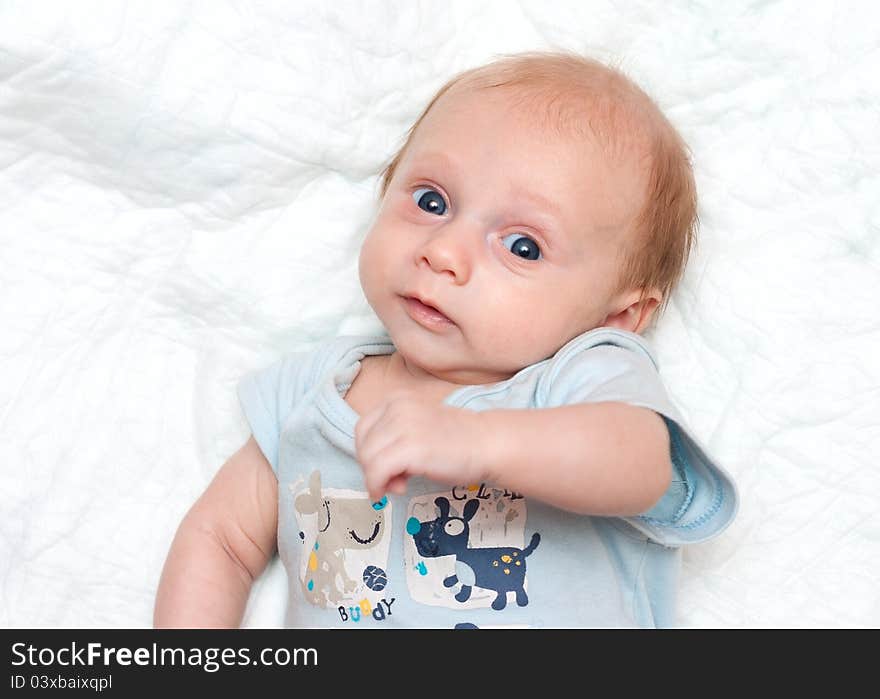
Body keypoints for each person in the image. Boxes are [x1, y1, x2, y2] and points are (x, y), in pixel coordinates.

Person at [154, 51, 737, 629]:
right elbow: (221, 539)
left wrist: (479, 440)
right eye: (432, 202)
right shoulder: (307, 394)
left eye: (522, 246)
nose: (445, 252)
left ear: (618, 317)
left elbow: (641, 465)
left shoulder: (582, 380)